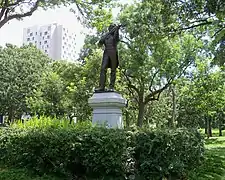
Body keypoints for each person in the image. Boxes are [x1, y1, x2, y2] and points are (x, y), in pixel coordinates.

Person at [95, 24, 121, 92]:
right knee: (103, 69)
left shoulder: (115, 34)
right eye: (111, 28)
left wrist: (117, 29)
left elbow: (117, 39)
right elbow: (100, 42)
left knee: (113, 70)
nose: (111, 29)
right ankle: (101, 86)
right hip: (106, 53)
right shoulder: (106, 36)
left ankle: (111, 87)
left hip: (113, 53)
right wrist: (108, 33)